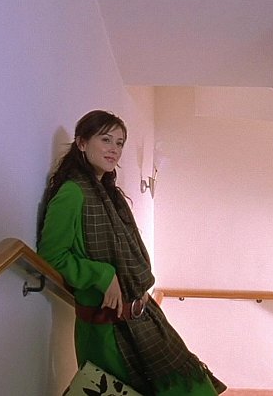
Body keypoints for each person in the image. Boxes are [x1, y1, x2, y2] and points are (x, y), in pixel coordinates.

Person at [38, 110, 226, 395]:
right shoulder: (73, 193)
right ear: (82, 143)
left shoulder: (110, 194)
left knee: (191, 386)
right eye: (105, 139)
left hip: (143, 316)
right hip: (107, 328)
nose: (114, 149)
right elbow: (51, 256)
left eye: (119, 143)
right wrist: (102, 275)